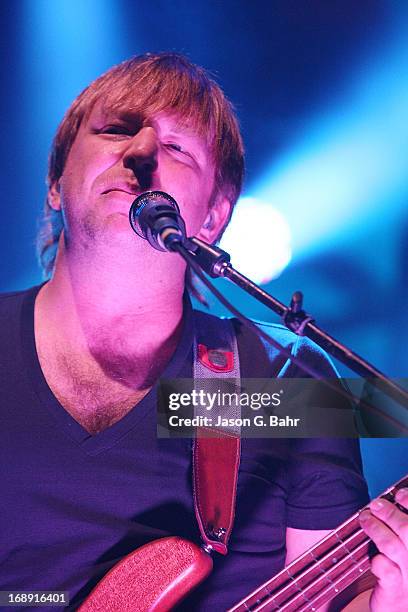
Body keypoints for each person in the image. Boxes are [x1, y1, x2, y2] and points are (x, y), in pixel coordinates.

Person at [0, 53, 406, 611]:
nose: (140, 153)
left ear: (215, 216)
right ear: (54, 183)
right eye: (116, 129)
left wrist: (392, 598)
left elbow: (341, 602)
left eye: (177, 149)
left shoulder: (287, 379)